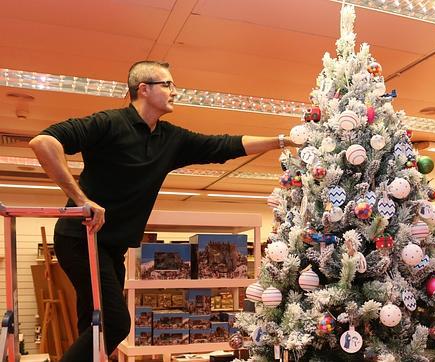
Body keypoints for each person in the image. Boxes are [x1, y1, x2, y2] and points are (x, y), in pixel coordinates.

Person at [29, 60, 293, 360]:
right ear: (143, 88)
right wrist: (80, 199)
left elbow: (223, 145)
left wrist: (280, 141)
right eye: (167, 84)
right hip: (81, 238)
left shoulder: (170, 139)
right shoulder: (108, 123)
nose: (175, 91)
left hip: (113, 247)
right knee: (115, 323)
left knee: (96, 327)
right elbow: (43, 142)